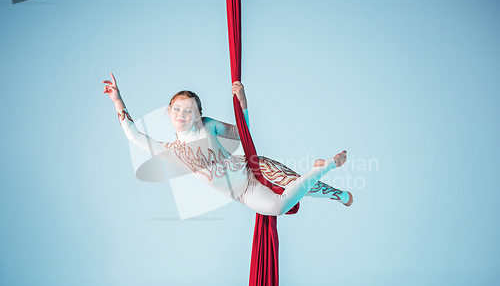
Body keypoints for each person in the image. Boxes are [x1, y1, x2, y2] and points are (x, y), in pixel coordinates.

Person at [103, 72, 353, 216]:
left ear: (199, 114)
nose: (182, 115)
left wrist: (243, 102)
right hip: (243, 193)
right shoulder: (172, 152)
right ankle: (323, 169)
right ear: (168, 112)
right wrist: (118, 100)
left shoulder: (208, 125)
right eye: (177, 109)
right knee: (277, 207)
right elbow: (135, 135)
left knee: (297, 183)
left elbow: (243, 133)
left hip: (253, 167)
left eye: (189, 110)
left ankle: (336, 187)